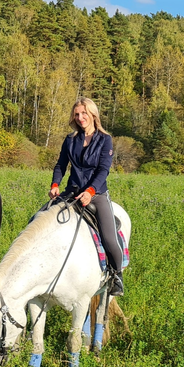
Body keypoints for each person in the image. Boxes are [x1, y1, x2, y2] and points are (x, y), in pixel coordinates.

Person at [50, 96, 128, 296]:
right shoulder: (70, 140)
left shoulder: (105, 140)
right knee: (41, 218)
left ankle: (116, 276)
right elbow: (61, 165)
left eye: (84, 113)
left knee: (109, 237)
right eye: (77, 114)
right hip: (72, 191)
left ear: (93, 114)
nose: (80, 117)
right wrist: (55, 184)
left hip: (97, 193)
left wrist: (91, 191)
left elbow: (103, 170)